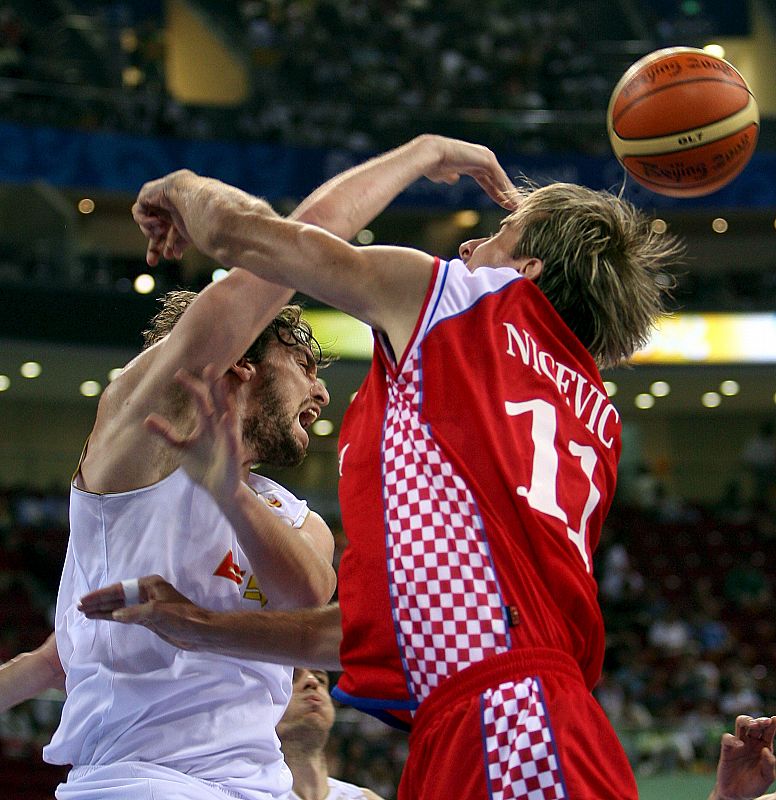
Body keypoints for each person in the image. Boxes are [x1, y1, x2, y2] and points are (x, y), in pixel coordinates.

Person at [86, 134, 681, 798]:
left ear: (528, 273)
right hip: (502, 712)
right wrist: (200, 627)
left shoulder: (460, 302)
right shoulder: (593, 414)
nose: (468, 248)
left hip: (509, 718)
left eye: (497, 237)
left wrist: (179, 187)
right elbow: (397, 622)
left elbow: (249, 238)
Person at [278, 667, 384, 800]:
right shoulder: (256, 792)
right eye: (292, 678)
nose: (312, 681)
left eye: (321, 680)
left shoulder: (364, 798)